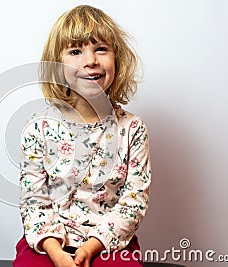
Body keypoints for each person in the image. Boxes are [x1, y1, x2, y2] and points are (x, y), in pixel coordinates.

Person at [13, 5, 151, 267]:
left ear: (117, 59)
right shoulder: (39, 128)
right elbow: (34, 202)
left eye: (101, 49)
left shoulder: (132, 129)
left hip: (109, 241)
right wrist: (56, 253)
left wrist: (91, 247)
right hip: (50, 240)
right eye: (75, 51)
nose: (90, 61)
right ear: (58, 65)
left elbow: (133, 201)